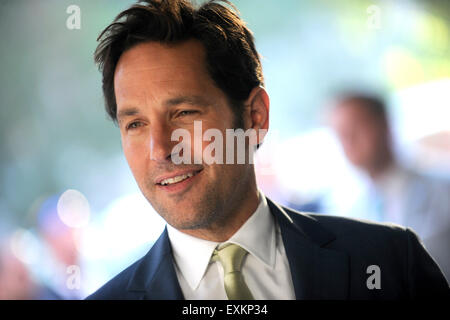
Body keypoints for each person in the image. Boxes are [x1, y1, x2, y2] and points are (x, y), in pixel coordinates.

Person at [87, 0, 448, 299]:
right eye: (135, 124)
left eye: (184, 113)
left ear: (255, 116)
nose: (161, 149)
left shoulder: (389, 260)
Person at [327, 93, 450, 280]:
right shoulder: (344, 211)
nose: (349, 140)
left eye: (357, 127)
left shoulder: (442, 187)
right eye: (341, 133)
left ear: (384, 124)